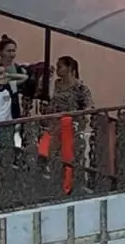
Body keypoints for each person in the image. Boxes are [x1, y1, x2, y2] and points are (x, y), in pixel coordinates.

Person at [42, 55, 92, 195]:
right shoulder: (57, 84)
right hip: (55, 124)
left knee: (68, 155)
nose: (58, 69)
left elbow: (89, 105)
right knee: (47, 150)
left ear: (69, 68)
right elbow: (54, 103)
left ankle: (68, 186)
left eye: (60, 67)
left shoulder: (80, 87)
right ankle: (55, 181)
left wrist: (78, 116)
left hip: (71, 124)